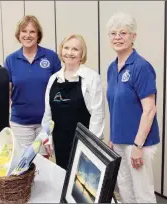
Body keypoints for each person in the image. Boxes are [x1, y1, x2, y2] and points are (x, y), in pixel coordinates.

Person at [106, 12, 160, 203]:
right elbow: (115, 105)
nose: (117, 37)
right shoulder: (112, 68)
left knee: (142, 193)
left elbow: (150, 110)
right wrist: (112, 136)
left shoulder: (141, 67)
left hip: (139, 143)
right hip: (119, 141)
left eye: (123, 33)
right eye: (113, 33)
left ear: (133, 37)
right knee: (125, 190)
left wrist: (138, 145)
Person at [42, 34, 105, 170]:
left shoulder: (91, 78)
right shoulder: (53, 79)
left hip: (83, 143)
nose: (70, 53)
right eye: (66, 48)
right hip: (60, 141)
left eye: (75, 49)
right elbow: (48, 113)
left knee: (81, 185)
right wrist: (46, 137)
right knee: (63, 176)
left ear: (82, 54)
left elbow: (97, 115)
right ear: (61, 51)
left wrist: (92, 147)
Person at [4, 15, 61, 157]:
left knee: (44, 162)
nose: (28, 35)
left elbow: (59, 90)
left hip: (46, 122)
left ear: (38, 35)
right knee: (24, 163)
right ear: (19, 35)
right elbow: (8, 92)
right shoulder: (11, 60)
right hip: (21, 123)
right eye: (24, 31)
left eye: (32, 32)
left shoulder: (51, 57)